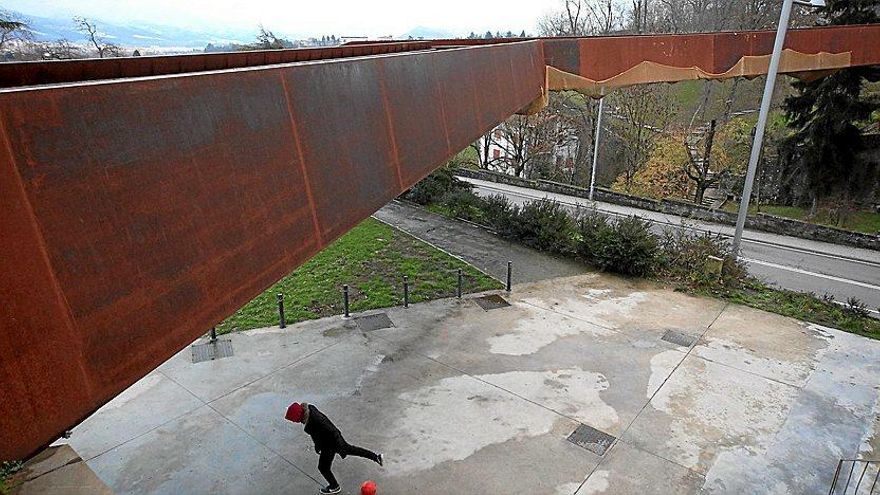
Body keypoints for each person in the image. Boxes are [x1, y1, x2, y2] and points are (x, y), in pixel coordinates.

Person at [286, 402, 383, 495]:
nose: (295, 422)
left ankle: (334, 487)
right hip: (328, 442)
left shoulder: (313, 420)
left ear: (298, 416)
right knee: (352, 450)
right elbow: (317, 435)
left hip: (331, 444)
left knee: (323, 467)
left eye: (294, 420)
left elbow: (329, 430)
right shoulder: (310, 411)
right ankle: (376, 457)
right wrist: (318, 445)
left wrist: (338, 445)